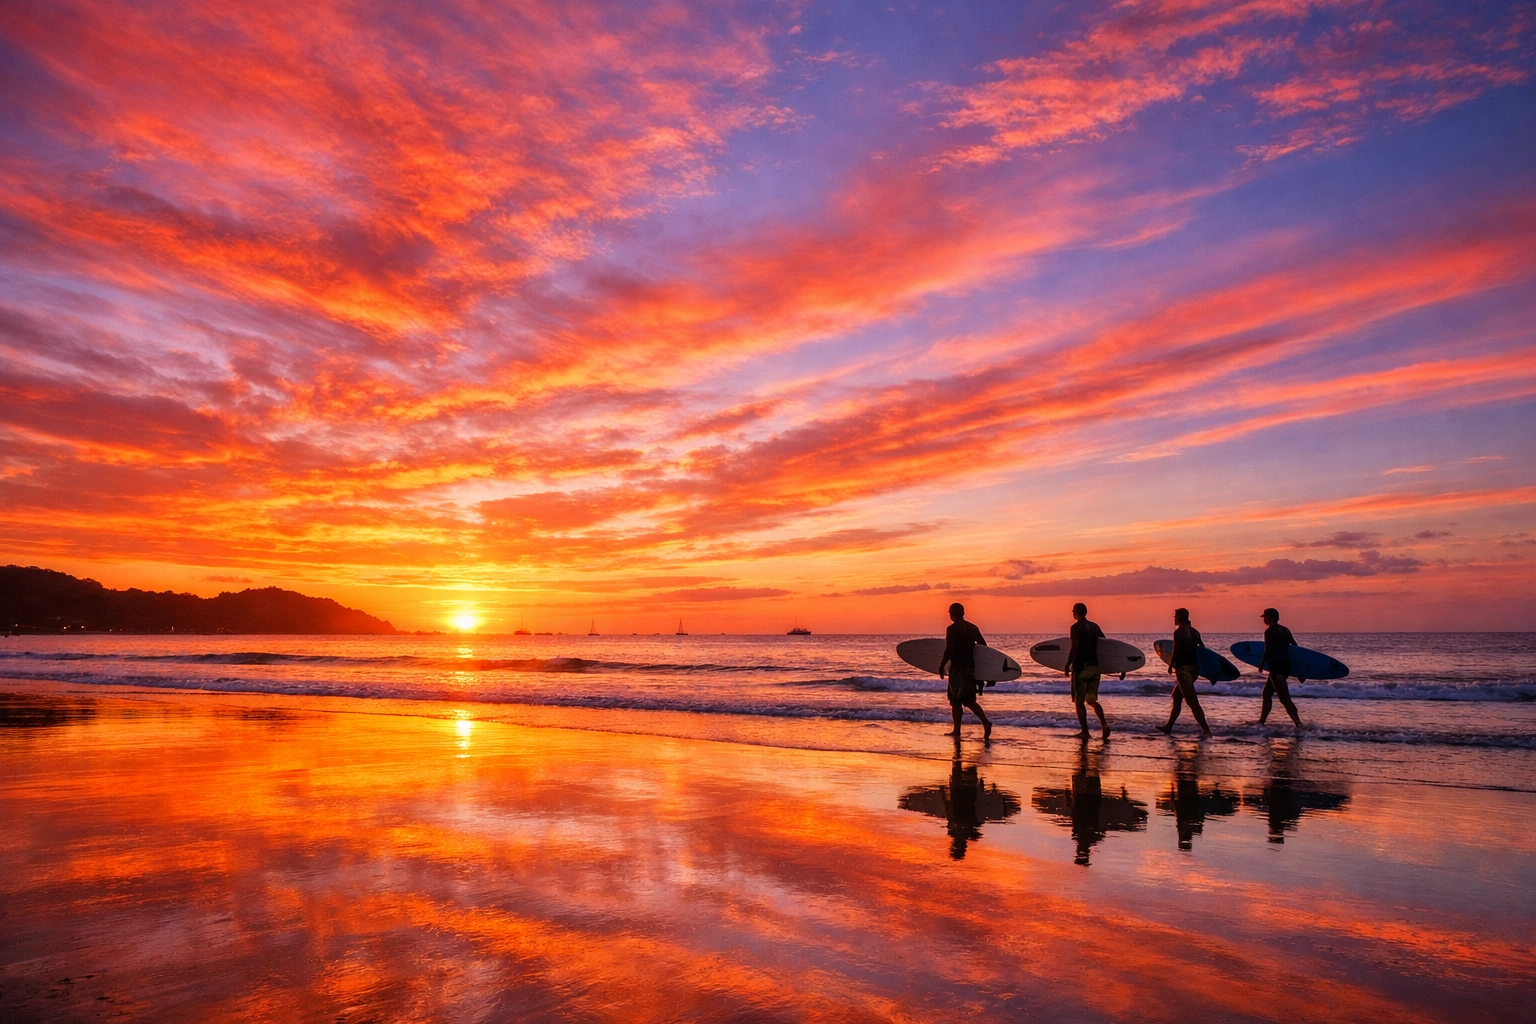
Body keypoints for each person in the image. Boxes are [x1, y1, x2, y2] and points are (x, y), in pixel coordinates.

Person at [938, 602, 992, 740]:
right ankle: (985, 722)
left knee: (955, 701)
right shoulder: (973, 628)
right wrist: (983, 672)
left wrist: (942, 665)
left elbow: (949, 649)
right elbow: (984, 648)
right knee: (968, 701)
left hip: (957, 670)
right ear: (963, 612)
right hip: (969, 669)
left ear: (952, 613)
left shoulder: (952, 628)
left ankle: (957, 730)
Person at [1157, 607, 1212, 737]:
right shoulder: (1194, 632)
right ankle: (1168, 727)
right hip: (1194, 669)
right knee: (1176, 696)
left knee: (1192, 701)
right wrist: (1209, 671)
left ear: (1179, 618)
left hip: (1183, 670)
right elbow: (1203, 651)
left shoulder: (1179, 632)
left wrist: (1170, 666)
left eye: (1175, 616)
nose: (1174, 619)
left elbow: (1175, 650)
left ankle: (1206, 730)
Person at [1063, 602, 1109, 739]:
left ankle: (1085, 732)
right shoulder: (1095, 627)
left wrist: (1068, 664)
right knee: (1091, 699)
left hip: (1081, 667)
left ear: (1076, 612)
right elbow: (1105, 644)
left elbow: (1074, 647)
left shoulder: (1075, 627)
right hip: (1095, 667)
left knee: (1079, 702)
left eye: (1073, 611)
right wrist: (1119, 667)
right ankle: (1104, 725)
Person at [1259, 607, 1303, 728]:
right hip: (1285, 666)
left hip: (1276, 668)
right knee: (1267, 693)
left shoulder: (1269, 631)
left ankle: (1298, 723)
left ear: (1269, 617)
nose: (1263, 619)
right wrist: (1299, 669)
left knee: (1284, 698)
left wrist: (1261, 664)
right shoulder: (1285, 630)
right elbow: (1295, 647)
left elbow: (1267, 649)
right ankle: (1261, 722)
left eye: (1265, 617)